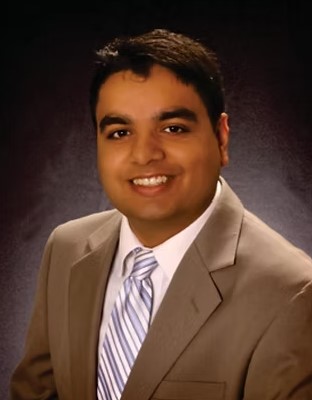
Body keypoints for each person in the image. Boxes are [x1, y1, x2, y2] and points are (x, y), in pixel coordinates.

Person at [10, 28, 312, 400]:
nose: (144, 154)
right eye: (119, 132)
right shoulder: (67, 248)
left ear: (221, 138)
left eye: (173, 128)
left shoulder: (292, 294)